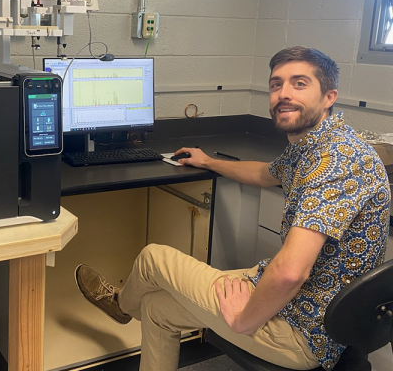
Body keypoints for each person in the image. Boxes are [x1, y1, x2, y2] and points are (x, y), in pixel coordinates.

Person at [75, 47, 390, 371]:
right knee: (157, 307)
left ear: (328, 96)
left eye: (299, 83)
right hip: (302, 305)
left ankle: (121, 306)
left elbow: (292, 272)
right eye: (276, 84)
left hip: (307, 332)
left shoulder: (334, 161)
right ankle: (132, 306)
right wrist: (208, 161)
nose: (283, 94)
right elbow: (264, 173)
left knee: (153, 259)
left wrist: (243, 319)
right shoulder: (317, 143)